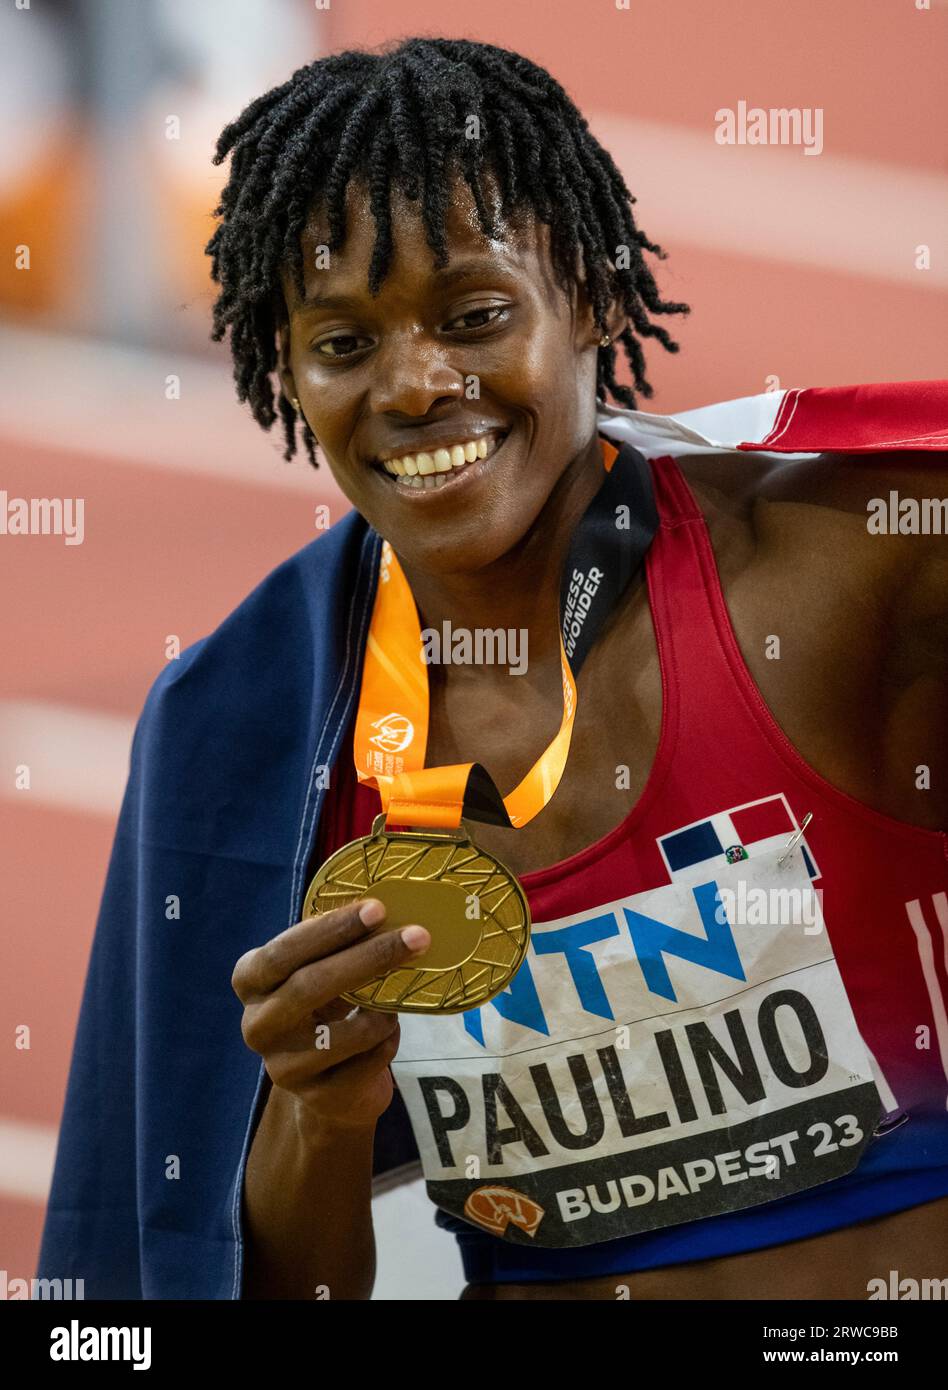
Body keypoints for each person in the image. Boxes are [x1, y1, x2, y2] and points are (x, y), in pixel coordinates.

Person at [37, 37, 947, 1302]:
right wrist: (321, 1115)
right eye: (343, 343)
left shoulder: (849, 576)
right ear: (284, 373)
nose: (415, 385)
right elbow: (235, 1285)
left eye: (474, 316)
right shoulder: (248, 738)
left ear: (589, 294)